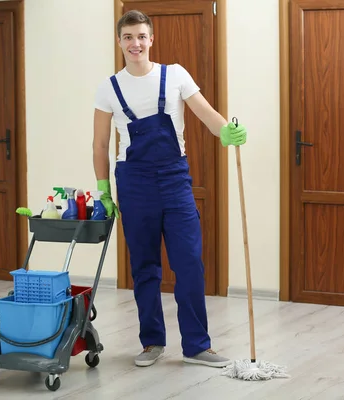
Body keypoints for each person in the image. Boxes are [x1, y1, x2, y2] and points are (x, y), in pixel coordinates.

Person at [92, 10, 247, 368]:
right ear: (119, 42)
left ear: (151, 39)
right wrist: (104, 189)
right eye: (128, 37)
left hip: (175, 180)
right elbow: (101, 144)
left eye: (142, 36)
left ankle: (197, 346)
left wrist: (226, 132)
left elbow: (206, 114)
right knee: (145, 266)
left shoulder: (174, 75)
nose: (136, 43)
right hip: (134, 183)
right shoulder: (109, 88)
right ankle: (152, 343)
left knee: (189, 262)